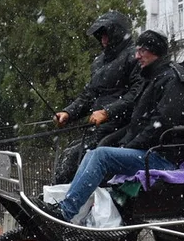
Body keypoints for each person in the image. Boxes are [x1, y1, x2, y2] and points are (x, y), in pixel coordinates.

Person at [43, 30, 184, 222]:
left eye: (141, 51)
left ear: (154, 51)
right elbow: (138, 122)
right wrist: (121, 142)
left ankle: (66, 212)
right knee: (93, 153)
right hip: (149, 151)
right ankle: (68, 208)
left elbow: (161, 125)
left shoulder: (173, 80)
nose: (137, 56)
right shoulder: (153, 77)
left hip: (162, 156)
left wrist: (129, 146)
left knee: (101, 156)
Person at [51, 11, 140, 183]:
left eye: (106, 35)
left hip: (120, 129)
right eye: (100, 36)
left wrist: (107, 112)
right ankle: (60, 199)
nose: (103, 40)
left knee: (73, 158)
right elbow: (88, 95)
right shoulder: (99, 62)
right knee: (69, 154)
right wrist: (68, 113)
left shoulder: (133, 57)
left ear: (117, 34)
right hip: (98, 129)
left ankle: (67, 204)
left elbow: (136, 94)